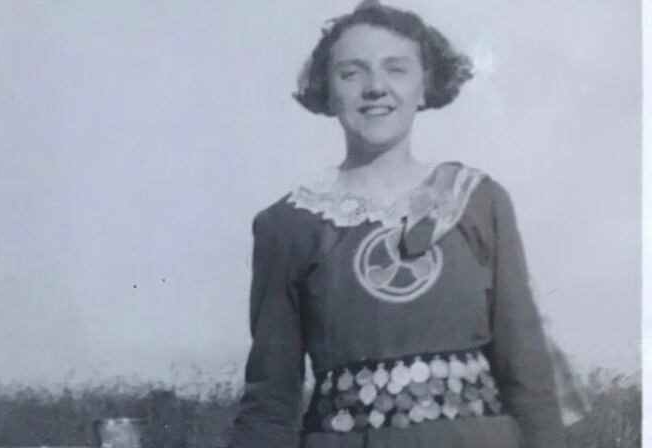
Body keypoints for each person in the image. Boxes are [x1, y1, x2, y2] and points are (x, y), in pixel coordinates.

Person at [229, 2, 577, 448]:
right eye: (351, 73)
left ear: (425, 84)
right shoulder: (287, 225)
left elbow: (529, 377)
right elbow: (269, 403)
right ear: (326, 90)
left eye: (396, 69)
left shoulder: (477, 201)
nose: (376, 87)